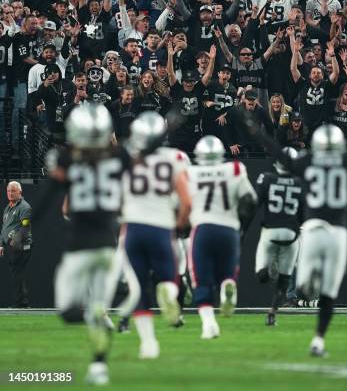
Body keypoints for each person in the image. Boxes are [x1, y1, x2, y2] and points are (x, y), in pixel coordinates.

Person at [240, 110, 347, 356]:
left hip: (313, 228)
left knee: (303, 287)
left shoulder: (308, 161)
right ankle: (318, 340)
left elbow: (279, 154)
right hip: (337, 232)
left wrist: (257, 132)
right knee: (328, 294)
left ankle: (308, 283)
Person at [46, 104, 132, 385]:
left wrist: (26, 226)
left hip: (79, 244)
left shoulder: (66, 158)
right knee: (98, 307)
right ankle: (99, 366)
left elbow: (58, 201)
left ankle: (90, 314)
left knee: (69, 311)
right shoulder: (119, 158)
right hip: (107, 243)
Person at [120, 112, 192, 359]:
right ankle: (170, 296)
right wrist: (179, 224)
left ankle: (148, 343)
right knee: (170, 277)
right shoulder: (174, 158)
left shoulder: (125, 160)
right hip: (161, 227)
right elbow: (187, 201)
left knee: (139, 289)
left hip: (133, 228)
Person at [187, 135, 258, 339]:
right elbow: (250, 200)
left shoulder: (190, 172)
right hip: (228, 228)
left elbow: (182, 203)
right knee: (227, 273)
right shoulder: (234, 169)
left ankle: (209, 325)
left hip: (202, 228)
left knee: (201, 279)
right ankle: (229, 285)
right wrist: (240, 223)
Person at [254, 146, 304, 326]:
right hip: (291, 234)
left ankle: (268, 272)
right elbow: (304, 213)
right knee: (285, 279)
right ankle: (272, 313)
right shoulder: (299, 182)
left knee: (262, 275)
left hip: (270, 232)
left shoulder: (267, 178)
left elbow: (255, 204)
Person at [0, 181, 32, 308]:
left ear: (20, 192)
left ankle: (22, 303)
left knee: (18, 273)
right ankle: (21, 303)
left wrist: (16, 240)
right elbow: (4, 228)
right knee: (16, 274)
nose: (10, 193)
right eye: (8, 191)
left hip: (22, 246)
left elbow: (25, 227)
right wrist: (1, 244)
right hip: (11, 246)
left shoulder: (25, 207)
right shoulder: (8, 208)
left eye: (13, 191)